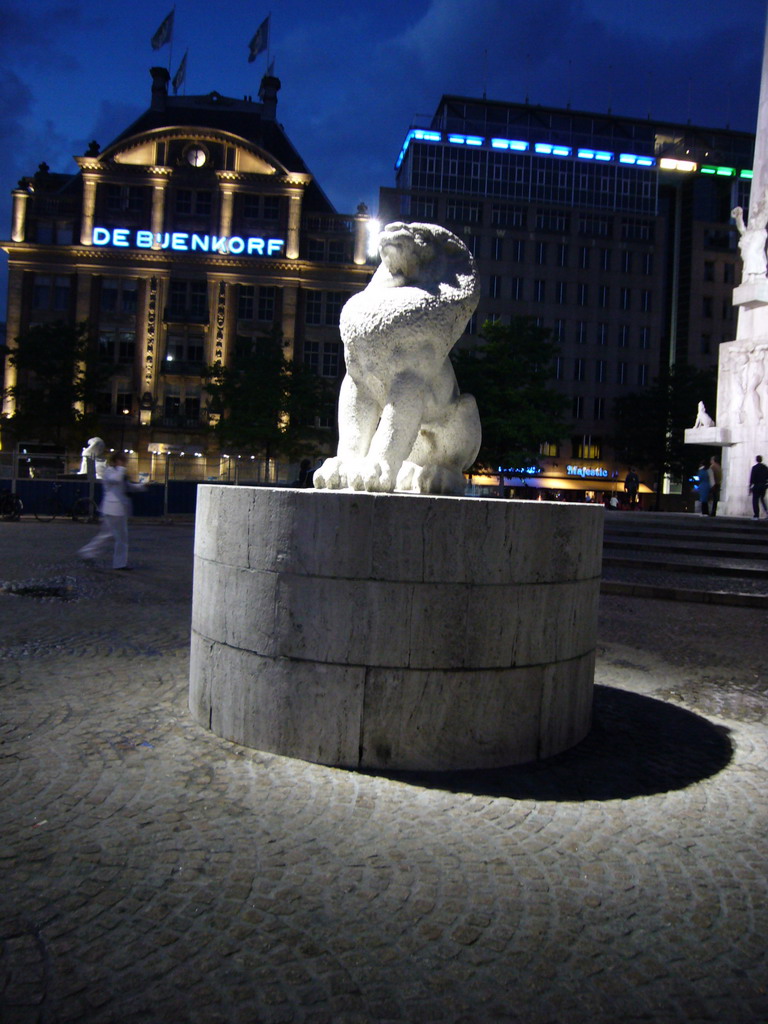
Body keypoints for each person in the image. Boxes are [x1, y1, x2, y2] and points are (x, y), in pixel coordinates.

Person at [78, 452, 145, 569]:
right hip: (114, 509)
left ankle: (88, 552)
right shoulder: (110, 471)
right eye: (122, 461)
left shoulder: (118, 472)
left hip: (116, 509)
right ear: (116, 461)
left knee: (108, 535)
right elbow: (117, 480)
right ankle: (118, 563)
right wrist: (121, 468)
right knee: (120, 538)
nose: (125, 463)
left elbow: (127, 487)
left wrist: (142, 486)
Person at [748, 454, 768, 519]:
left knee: (755, 501)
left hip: (756, 486)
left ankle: (756, 515)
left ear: (756, 460)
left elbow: (751, 478)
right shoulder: (765, 468)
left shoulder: (754, 468)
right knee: (762, 499)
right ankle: (767, 512)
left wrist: (750, 487)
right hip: (763, 485)